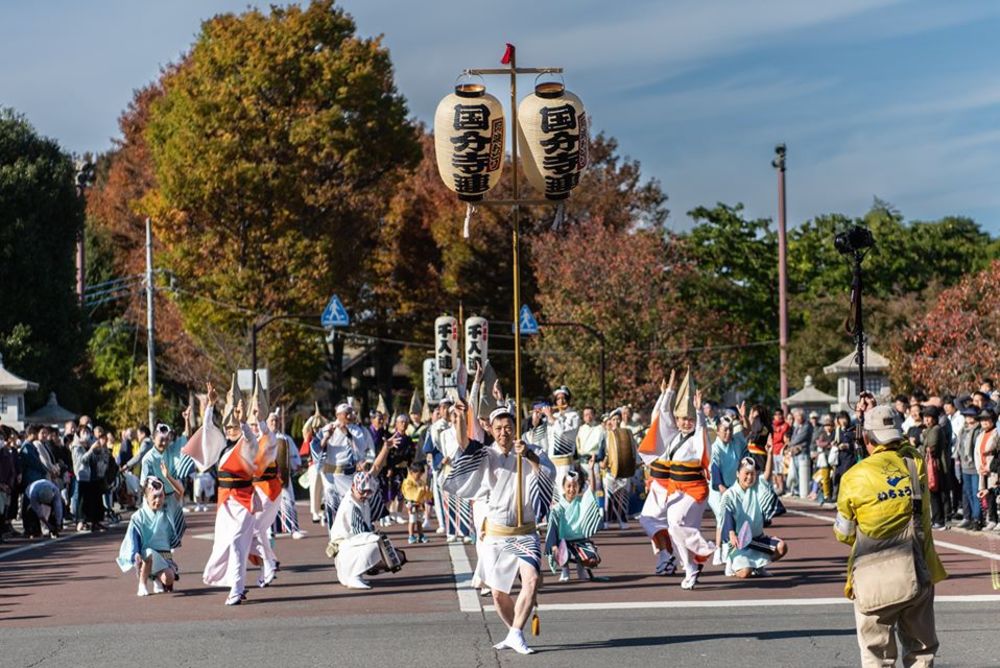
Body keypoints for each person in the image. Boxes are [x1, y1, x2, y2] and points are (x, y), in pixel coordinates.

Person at [834, 404, 946, 667]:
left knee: (876, 655)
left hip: (872, 577)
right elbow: (907, 448)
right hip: (917, 568)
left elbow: (844, 533)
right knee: (921, 652)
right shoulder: (914, 464)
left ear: (865, 438)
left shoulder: (853, 477)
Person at [443, 402, 555, 655]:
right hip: (496, 534)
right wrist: (461, 417)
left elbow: (547, 474)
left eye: (508, 427)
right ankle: (514, 631)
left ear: (516, 428)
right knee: (497, 594)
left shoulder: (530, 450)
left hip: (524, 531)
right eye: (499, 428)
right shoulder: (486, 454)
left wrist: (529, 456)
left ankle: (516, 633)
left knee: (532, 579)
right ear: (491, 430)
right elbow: (464, 444)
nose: (504, 432)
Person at [182, 377, 261, 606]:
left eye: (234, 427)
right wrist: (210, 405)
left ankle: (237, 589)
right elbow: (207, 431)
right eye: (228, 427)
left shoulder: (247, 444)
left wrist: (244, 421)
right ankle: (236, 583)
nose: (231, 430)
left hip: (244, 500)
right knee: (225, 544)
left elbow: (250, 438)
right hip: (225, 502)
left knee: (237, 542)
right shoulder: (221, 446)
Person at [638, 369, 715, 588]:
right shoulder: (673, 437)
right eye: (681, 419)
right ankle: (690, 568)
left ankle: (704, 548)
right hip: (676, 489)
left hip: (695, 490)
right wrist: (669, 392)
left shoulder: (697, 437)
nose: (685, 423)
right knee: (674, 529)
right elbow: (660, 416)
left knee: (677, 523)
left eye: (688, 419)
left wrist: (699, 414)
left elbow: (702, 437)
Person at [328, 440, 403, 590]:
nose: (365, 494)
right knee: (377, 543)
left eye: (368, 491)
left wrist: (385, 448)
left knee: (393, 553)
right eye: (362, 491)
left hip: (349, 548)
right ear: (354, 487)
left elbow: (375, 468)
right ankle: (353, 576)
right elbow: (359, 535)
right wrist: (383, 545)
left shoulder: (360, 493)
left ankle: (359, 573)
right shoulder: (351, 505)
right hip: (344, 552)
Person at [722, 452, 788, 578]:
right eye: (746, 473)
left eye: (752, 474)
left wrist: (770, 453)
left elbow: (767, 475)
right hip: (738, 542)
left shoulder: (758, 487)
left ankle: (758, 566)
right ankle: (732, 562)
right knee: (745, 573)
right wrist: (731, 533)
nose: (749, 477)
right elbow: (727, 515)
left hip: (757, 539)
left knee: (781, 547)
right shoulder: (730, 494)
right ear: (737, 474)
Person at [117, 477, 179, 596]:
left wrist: (168, 477)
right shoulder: (138, 516)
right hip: (146, 555)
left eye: (161, 496)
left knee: (169, 579)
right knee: (149, 553)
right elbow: (135, 536)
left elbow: (179, 492)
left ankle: (157, 579)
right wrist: (136, 552)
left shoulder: (167, 511)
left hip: (164, 554)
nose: (158, 500)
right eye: (154, 497)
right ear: (146, 498)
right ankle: (142, 584)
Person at [545, 459, 604, 582]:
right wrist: (554, 545)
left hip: (580, 540)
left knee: (592, 559)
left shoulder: (581, 502)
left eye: (575, 486)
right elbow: (552, 528)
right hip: (563, 541)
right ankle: (565, 570)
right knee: (556, 549)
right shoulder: (558, 507)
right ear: (563, 487)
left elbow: (591, 490)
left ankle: (580, 568)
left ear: (578, 488)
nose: (572, 489)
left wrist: (591, 469)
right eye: (569, 486)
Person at [708, 413, 748, 564]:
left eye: (730, 429)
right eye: (724, 430)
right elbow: (715, 468)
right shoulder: (715, 447)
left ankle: (723, 549)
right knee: (723, 516)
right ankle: (721, 550)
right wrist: (721, 487)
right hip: (717, 489)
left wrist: (745, 418)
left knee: (732, 517)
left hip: (733, 487)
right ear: (717, 431)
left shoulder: (737, 441)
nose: (728, 432)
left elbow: (747, 430)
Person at [956, 406, 981, 529]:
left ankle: (977, 518)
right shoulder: (963, 430)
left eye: (970, 415)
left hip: (975, 466)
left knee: (976, 493)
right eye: (966, 416)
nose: (968, 418)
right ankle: (972, 517)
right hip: (965, 466)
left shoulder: (979, 430)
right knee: (969, 493)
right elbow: (959, 448)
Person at [974, 408, 999, 530]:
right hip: (983, 470)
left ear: (993, 420)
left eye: (987, 419)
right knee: (988, 495)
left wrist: (989, 467)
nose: (984, 422)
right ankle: (992, 519)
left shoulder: (997, 433)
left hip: (994, 469)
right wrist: (979, 466)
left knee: (996, 493)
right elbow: (977, 453)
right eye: (982, 420)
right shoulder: (980, 435)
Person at [401, 461, 431, 544]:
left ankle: (421, 535)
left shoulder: (420, 481)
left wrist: (427, 492)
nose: (419, 476)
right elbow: (410, 493)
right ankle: (411, 536)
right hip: (412, 504)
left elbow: (424, 492)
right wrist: (421, 490)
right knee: (412, 520)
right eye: (418, 475)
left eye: (421, 475)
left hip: (419, 504)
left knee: (419, 520)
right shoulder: (408, 482)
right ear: (411, 472)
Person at [787, 408, 813, 498]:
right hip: (795, 453)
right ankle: (796, 490)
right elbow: (794, 437)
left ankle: (804, 492)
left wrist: (790, 444)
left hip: (803, 452)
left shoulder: (807, 425)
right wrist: (791, 445)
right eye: (795, 417)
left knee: (803, 474)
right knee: (796, 473)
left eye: (798, 417)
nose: (796, 419)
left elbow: (800, 438)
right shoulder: (797, 426)